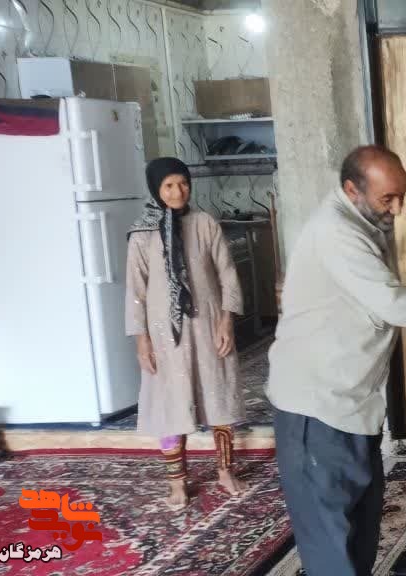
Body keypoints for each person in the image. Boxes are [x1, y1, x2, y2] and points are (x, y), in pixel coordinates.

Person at [266, 146, 406, 576]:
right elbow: (392, 303)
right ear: (351, 189)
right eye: (387, 198)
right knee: (332, 544)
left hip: (349, 404)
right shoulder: (336, 232)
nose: (398, 208)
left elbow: (382, 299)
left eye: (402, 195)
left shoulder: (363, 224)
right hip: (316, 408)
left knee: (359, 528)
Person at [126, 157, 248, 511]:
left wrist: (226, 321)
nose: (178, 191)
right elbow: (136, 290)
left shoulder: (204, 223)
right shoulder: (142, 233)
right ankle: (177, 483)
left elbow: (227, 273)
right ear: (156, 189)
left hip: (208, 324)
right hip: (164, 334)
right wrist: (142, 341)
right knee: (170, 401)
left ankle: (225, 472)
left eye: (183, 183)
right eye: (168, 185)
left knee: (219, 397)